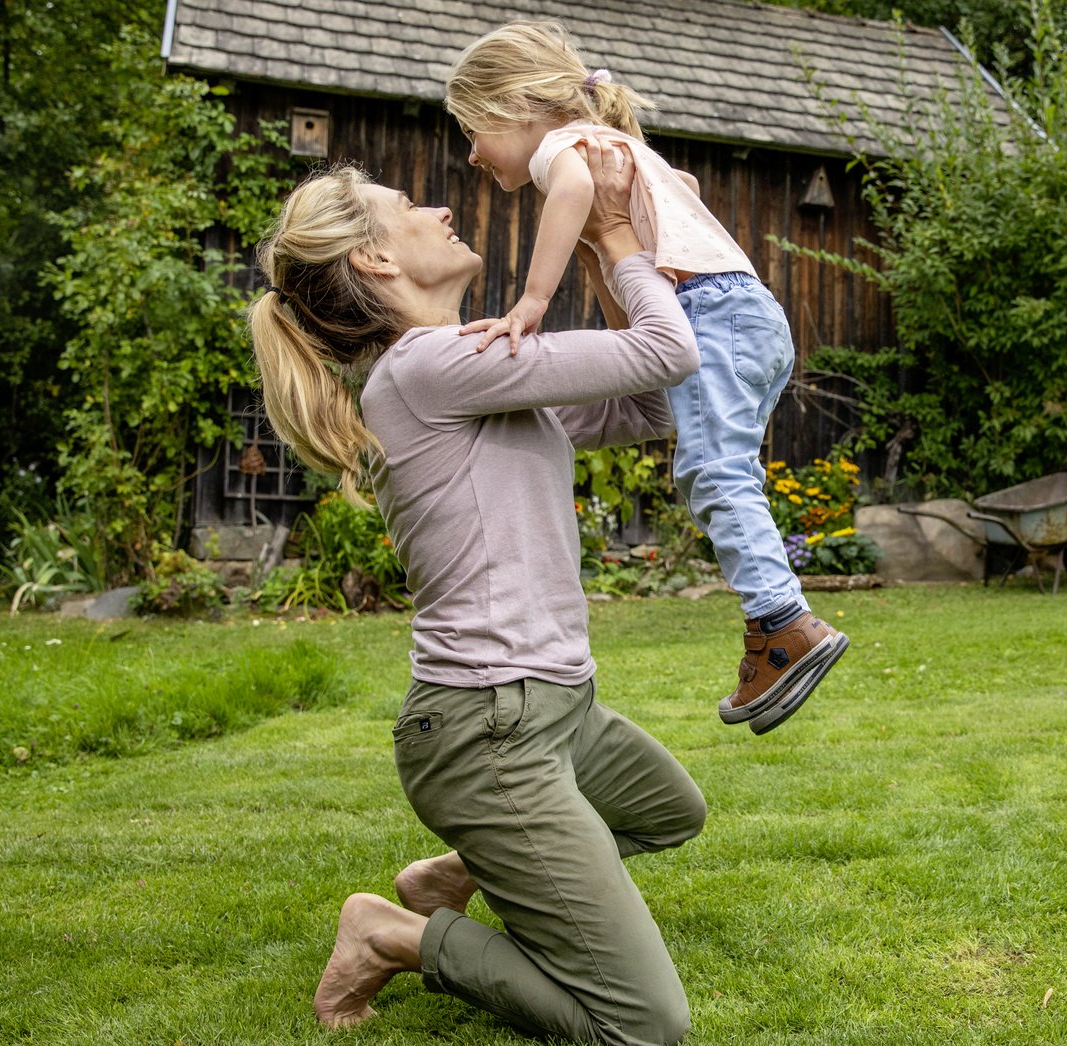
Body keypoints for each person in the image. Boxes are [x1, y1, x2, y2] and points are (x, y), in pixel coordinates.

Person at [249, 142, 705, 1045]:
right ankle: (391, 933)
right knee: (645, 1026)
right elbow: (668, 349)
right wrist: (614, 230)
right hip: (486, 730)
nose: (440, 209)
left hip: (556, 705)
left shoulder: (467, 362)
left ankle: (461, 871)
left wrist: (602, 247)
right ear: (374, 259)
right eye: (409, 205)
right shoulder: (428, 370)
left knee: (666, 812)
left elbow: (650, 404)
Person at [445, 19, 848, 734]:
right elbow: (668, 202)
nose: (471, 152)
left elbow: (573, 196)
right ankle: (773, 629)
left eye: (471, 128)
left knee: (715, 474)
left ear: (513, 106)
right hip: (742, 316)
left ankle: (785, 624)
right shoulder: (619, 148)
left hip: (711, 314)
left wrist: (532, 304)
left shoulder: (565, 151)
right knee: (710, 466)